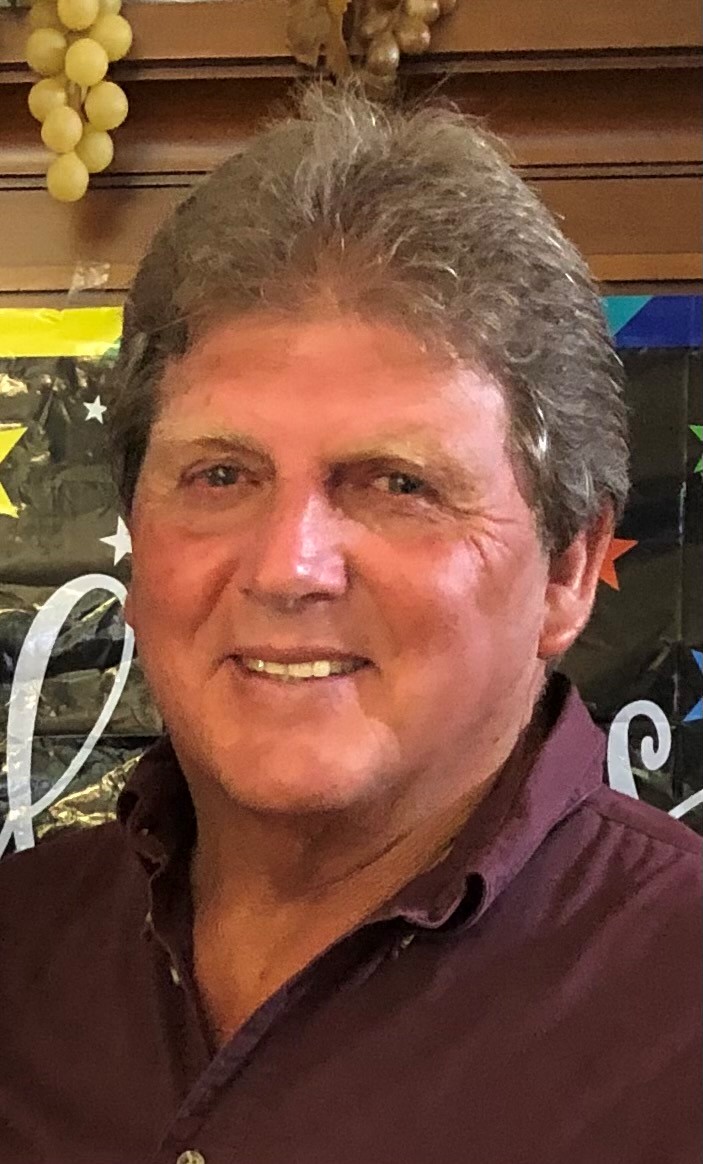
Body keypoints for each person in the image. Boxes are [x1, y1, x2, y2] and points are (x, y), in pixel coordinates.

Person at [0, 85, 699, 1164]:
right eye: (220, 474)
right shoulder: (20, 947)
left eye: (398, 485)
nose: (289, 567)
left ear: (567, 570)